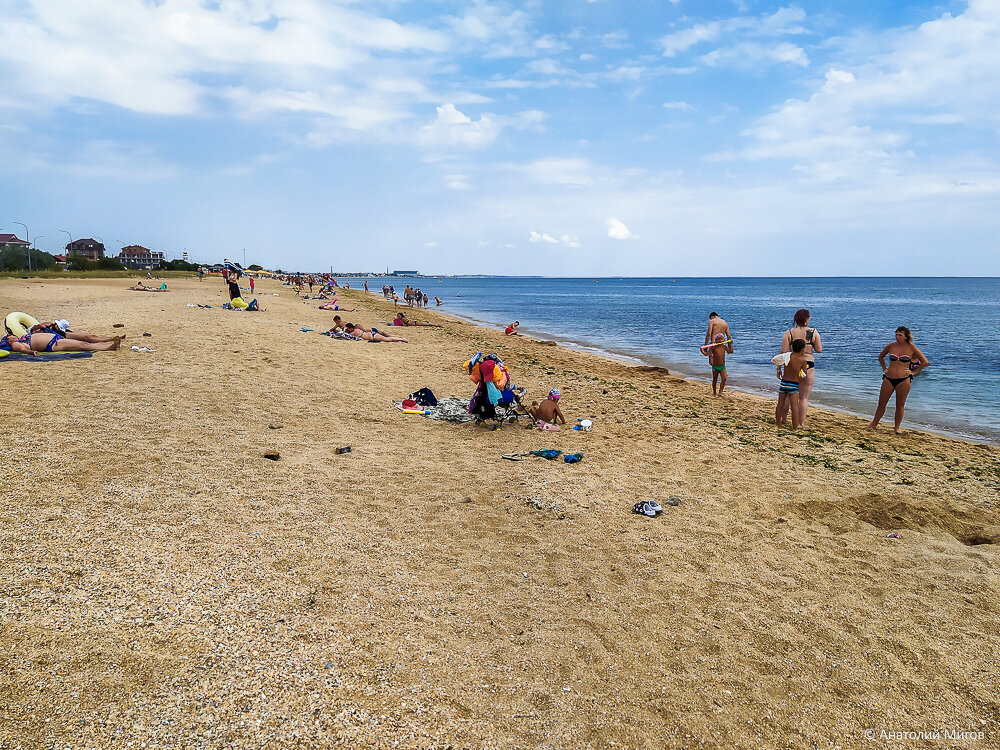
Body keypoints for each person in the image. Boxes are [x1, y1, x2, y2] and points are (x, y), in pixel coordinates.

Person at [867, 326, 928, 434]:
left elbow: (925, 362)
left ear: (906, 337)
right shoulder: (891, 346)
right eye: (896, 334)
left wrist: (913, 372)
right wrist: (884, 368)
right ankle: (874, 424)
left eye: (900, 335)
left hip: (904, 380)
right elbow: (880, 357)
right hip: (888, 378)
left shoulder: (912, 348)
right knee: (881, 403)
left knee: (900, 405)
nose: (897, 337)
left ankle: (896, 428)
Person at [778, 309, 823, 428]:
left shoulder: (789, 333)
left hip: (792, 363)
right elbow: (819, 350)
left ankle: (783, 419)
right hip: (808, 364)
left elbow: (783, 352)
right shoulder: (813, 332)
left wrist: (779, 368)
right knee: (803, 397)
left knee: (788, 394)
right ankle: (801, 423)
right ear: (807, 319)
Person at [776, 339, 809, 429]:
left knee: (780, 404)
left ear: (792, 347)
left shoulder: (787, 356)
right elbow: (804, 374)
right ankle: (795, 427)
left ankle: (778, 424)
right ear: (803, 349)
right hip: (793, 385)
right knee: (794, 407)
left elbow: (777, 360)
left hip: (784, 383)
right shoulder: (803, 360)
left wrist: (778, 369)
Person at [1, 331, 121, 354]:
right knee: (82, 345)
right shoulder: (15, 344)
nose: (12, 336)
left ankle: (108, 345)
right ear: (9, 340)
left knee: (84, 343)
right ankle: (109, 348)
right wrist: (32, 352)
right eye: (10, 336)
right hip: (53, 345)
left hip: (56, 339)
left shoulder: (22, 337)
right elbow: (22, 349)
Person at [28, 318, 123, 344]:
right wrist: (39, 326)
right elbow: (32, 329)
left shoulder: (60, 331)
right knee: (84, 340)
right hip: (54, 339)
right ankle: (108, 340)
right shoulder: (47, 325)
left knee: (87, 337)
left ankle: (109, 339)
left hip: (60, 336)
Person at [704, 332, 733, 396]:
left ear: (724, 340)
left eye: (721, 339)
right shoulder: (713, 347)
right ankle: (714, 392)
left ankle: (720, 392)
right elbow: (707, 354)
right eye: (718, 339)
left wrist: (730, 344)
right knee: (715, 380)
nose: (720, 340)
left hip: (722, 366)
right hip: (715, 366)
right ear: (715, 340)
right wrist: (702, 350)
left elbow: (730, 351)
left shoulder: (724, 346)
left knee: (724, 378)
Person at [343, 323, 408, 343]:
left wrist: (344, 330)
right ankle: (399, 338)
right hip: (372, 335)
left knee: (387, 339)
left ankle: (402, 339)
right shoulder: (356, 329)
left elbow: (345, 335)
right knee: (386, 338)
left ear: (351, 328)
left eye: (347, 329)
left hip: (373, 336)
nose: (347, 330)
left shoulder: (354, 332)